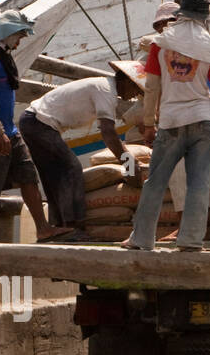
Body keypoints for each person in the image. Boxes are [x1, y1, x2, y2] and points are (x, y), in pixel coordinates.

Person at [121, 0, 210, 251]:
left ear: (181, 15)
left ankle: (142, 239)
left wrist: (149, 122)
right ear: (204, 17)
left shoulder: (161, 44)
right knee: (199, 183)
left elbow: (152, 87)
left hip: (170, 121)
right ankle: (191, 240)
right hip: (204, 121)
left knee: (156, 181)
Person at [0, 9, 70, 243]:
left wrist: (5, 130)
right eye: (19, 36)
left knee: (28, 175)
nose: (19, 42)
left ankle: (43, 228)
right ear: (8, 32)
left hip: (9, 131)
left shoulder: (2, 55)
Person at [19, 62, 145, 238]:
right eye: (137, 89)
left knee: (53, 175)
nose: (136, 94)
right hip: (40, 123)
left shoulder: (104, 86)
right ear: (128, 82)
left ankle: (58, 226)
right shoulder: (106, 91)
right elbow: (108, 133)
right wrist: (130, 165)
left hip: (31, 120)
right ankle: (73, 227)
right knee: (71, 169)